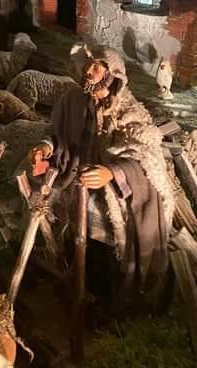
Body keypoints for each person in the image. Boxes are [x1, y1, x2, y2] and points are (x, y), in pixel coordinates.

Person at [29, 47, 173, 306]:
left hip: (114, 190)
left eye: (96, 67)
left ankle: (107, 292)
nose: (88, 71)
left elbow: (146, 156)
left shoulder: (129, 111)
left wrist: (111, 172)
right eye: (87, 65)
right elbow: (58, 134)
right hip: (75, 175)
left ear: (112, 74)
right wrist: (46, 148)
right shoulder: (73, 100)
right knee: (54, 202)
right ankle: (68, 270)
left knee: (96, 216)